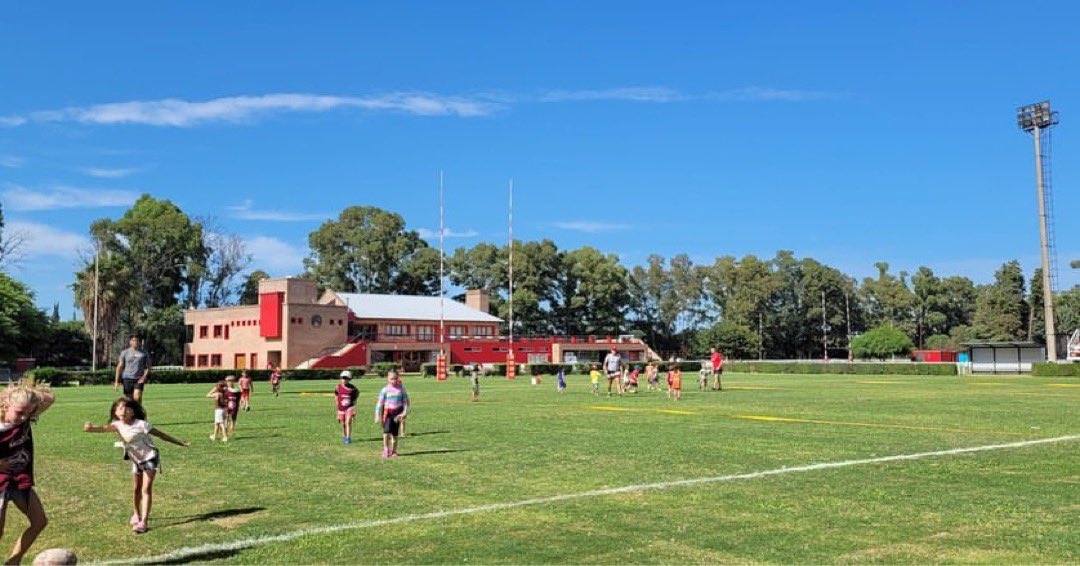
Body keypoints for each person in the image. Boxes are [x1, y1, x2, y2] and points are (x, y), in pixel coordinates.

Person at [83, 397, 188, 534]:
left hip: (149, 457)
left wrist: (180, 442)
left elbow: (162, 435)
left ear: (133, 412)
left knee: (146, 489)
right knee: (136, 489)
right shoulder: (117, 425)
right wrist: (90, 428)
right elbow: (101, 428)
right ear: (115, 411)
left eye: (127, 408)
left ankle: (143, 522)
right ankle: (136, 514)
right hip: (136, 460)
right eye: (119, 408)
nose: (123, 411)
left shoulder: (142, 424)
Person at [0, 382, 55, 564]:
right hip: (1, 482)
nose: (24, 418)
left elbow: (50, 399)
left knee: (39, 521)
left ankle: (13, 561)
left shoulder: (24, 415)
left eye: (29, 413)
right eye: (19, 412)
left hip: (19, 480)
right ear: (6, 404)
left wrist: (23, 393)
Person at [375, 371, 409, 459]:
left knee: (395, 434)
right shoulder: (385, 389)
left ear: (398, 378)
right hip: (388, 414)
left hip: (397, 414)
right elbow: (379, 403)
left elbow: (405, 402)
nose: (393, 381)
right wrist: (377, 415)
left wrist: (405, 412)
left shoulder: (401, 389)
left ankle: (394, 451)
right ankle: (386, 449)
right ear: (388, 379)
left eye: (395, 378)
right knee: (386, 432)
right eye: (391, 379)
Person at [114, 335, 150, 402]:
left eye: (137, 341)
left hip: (139, 379)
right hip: (127, 379)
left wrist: (144, 377)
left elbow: (148, 367)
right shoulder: (125, 352)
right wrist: (116, 381)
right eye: (133, 340)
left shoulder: (144, 353)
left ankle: (138, 412)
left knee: (137, 397)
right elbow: (119, 367)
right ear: (130, 342)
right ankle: (131, 412)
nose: (135, 342)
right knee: (129, 401)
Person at [335, 371, 359, 444]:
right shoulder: (338, 387)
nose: (344, 380)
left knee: (348, 422)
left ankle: (348, 437)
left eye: (346, 378)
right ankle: (345, 436)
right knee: (343, 424)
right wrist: (337, 411)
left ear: (349, 379)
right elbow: (336, 398)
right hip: (340, 409)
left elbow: (356, 397)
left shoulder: (353, 388)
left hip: (349, 408)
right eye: (342, 378)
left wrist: (353, 408)